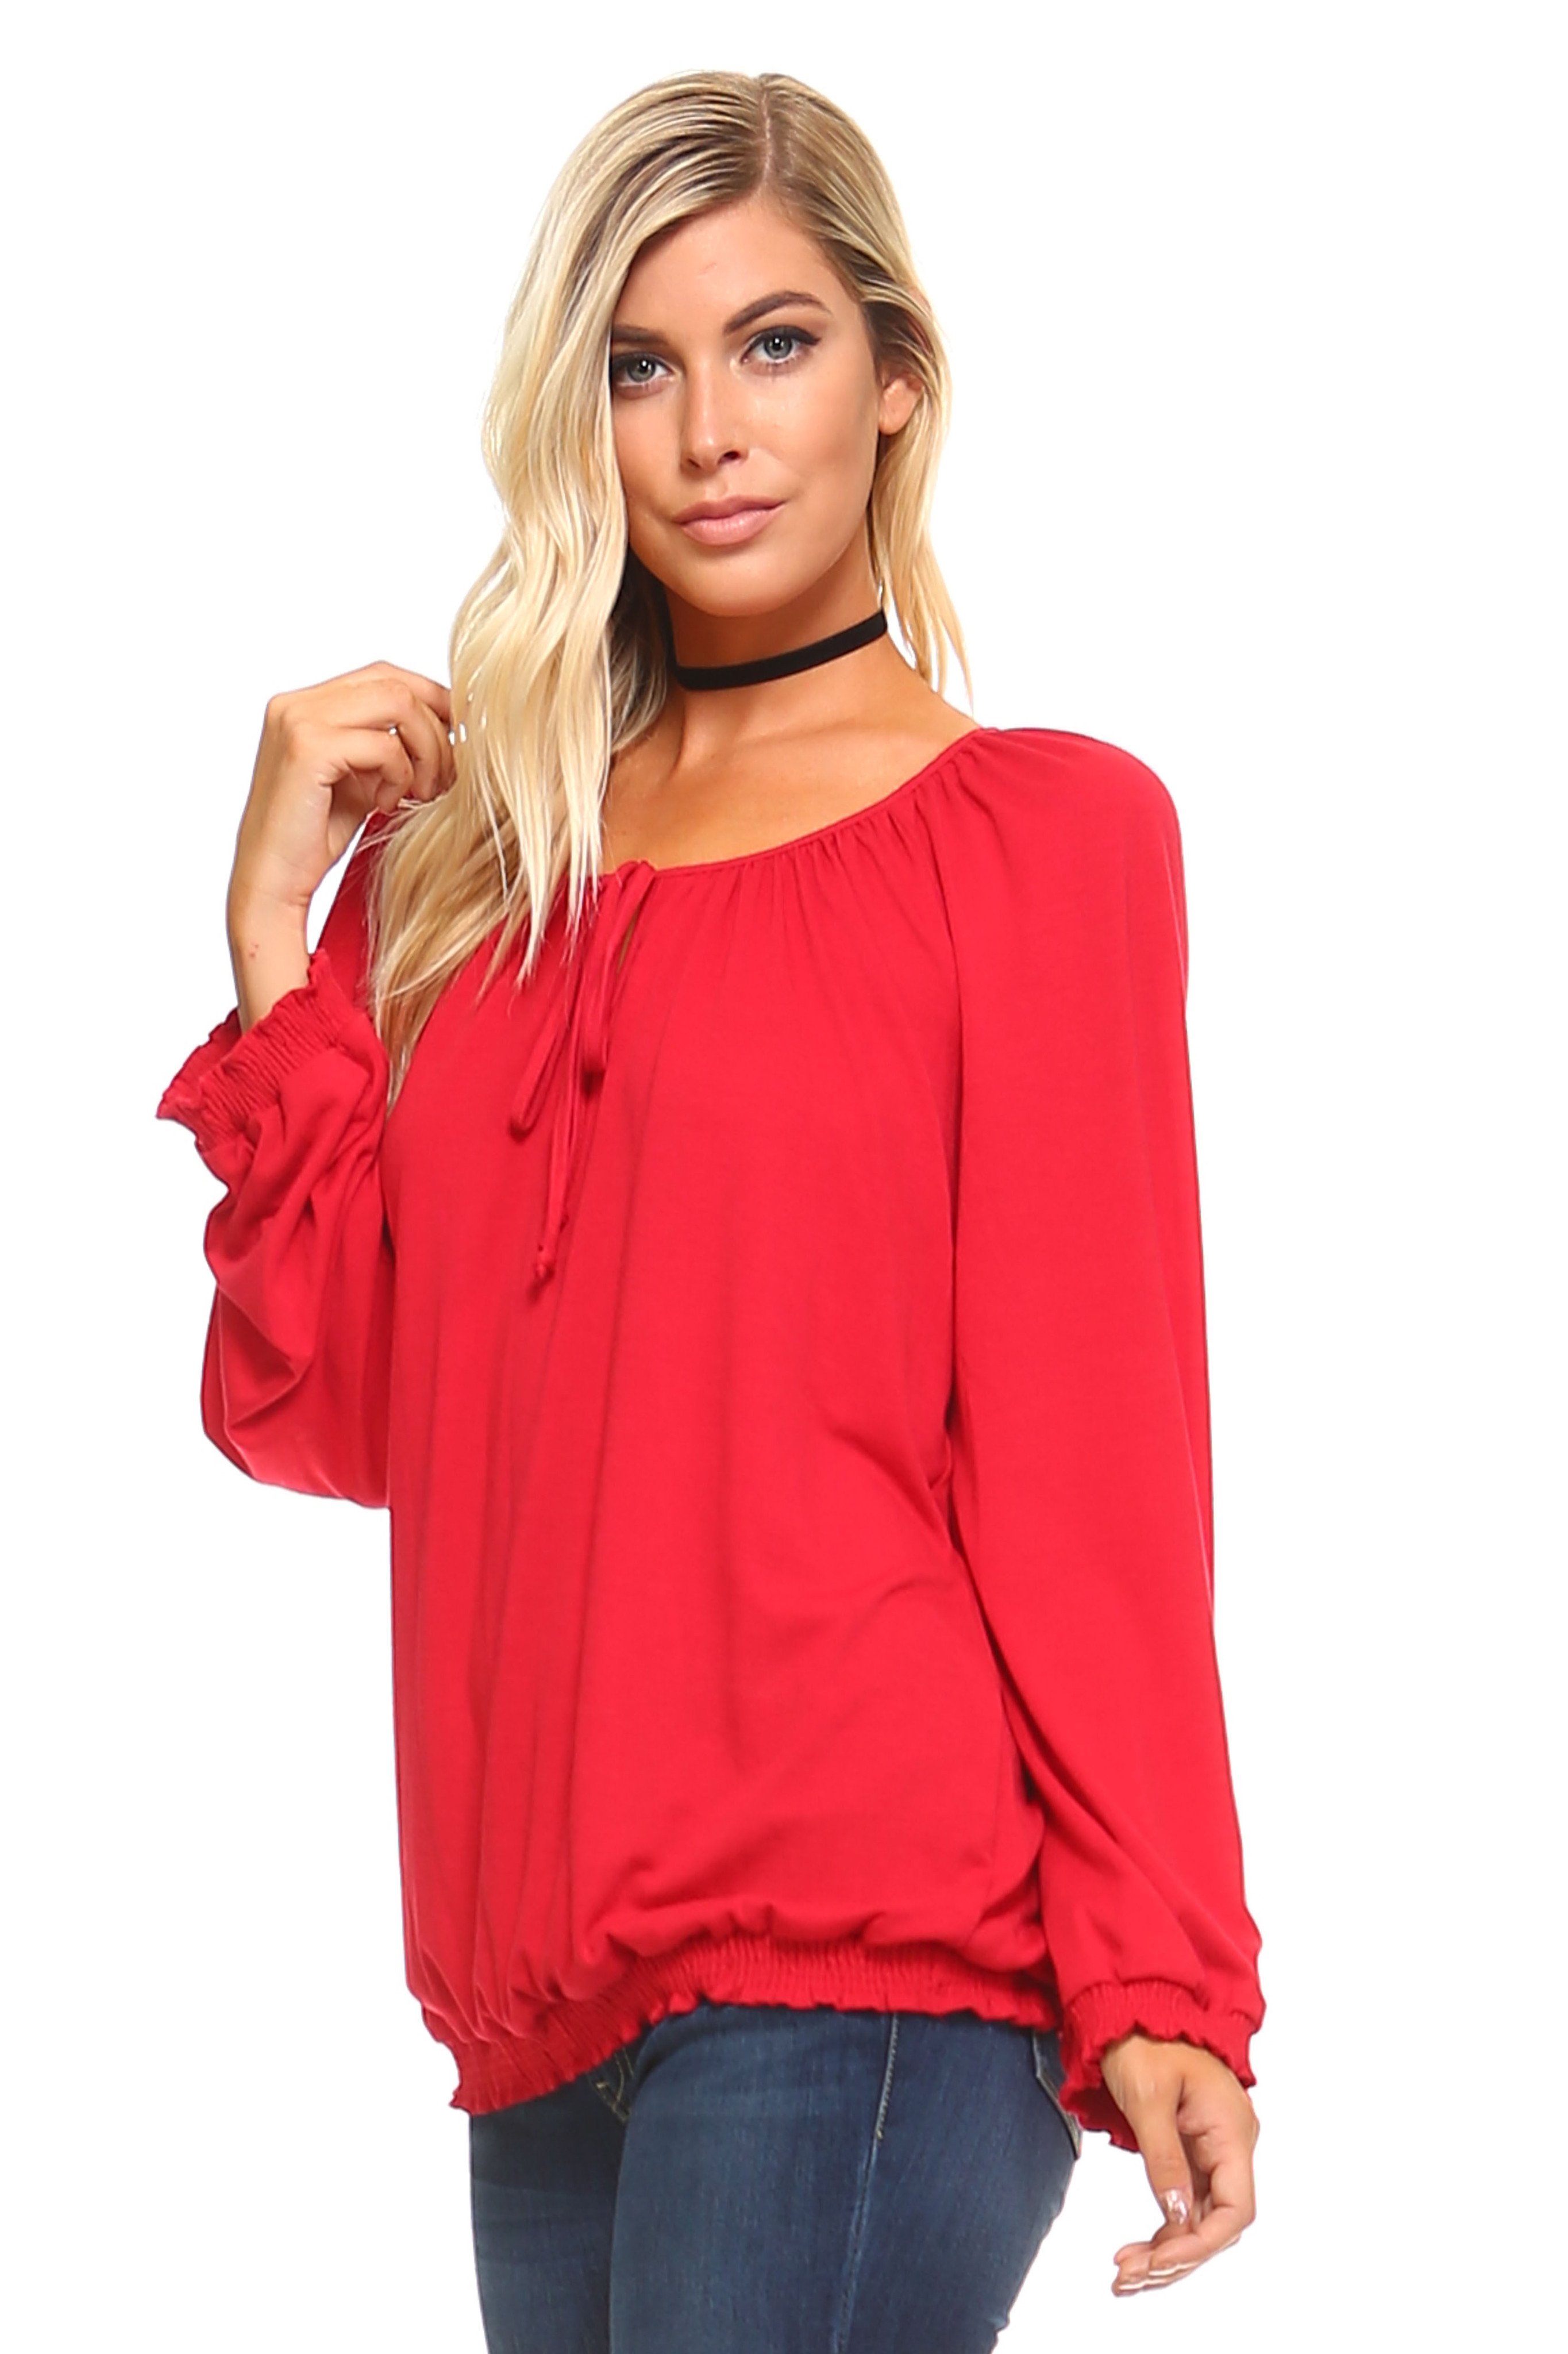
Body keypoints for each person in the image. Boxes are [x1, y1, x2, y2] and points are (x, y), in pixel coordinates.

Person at [156, 68, 1265, 2353]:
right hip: (541, 2014)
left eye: (774, 344)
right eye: (637, 368)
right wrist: (278, 943)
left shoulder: (1038, 842)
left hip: (867, 1957)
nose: (708, 434)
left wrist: (1159, 1968)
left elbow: (1091, 1459)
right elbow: (336, 1416)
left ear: (893, 378)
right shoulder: (474, 879)